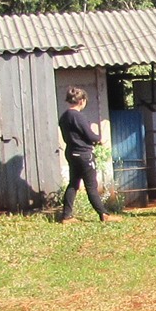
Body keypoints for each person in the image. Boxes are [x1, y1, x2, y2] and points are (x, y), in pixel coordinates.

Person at [57, 86, 109, 224]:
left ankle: (66, 216)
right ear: (82, 101)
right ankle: (104, 214)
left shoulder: (64, 117)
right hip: (83, 154)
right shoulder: (78, 116)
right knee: (91, 186)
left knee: (73, 184)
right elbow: (89, 135)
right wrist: (99, 139)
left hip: (71, 152)